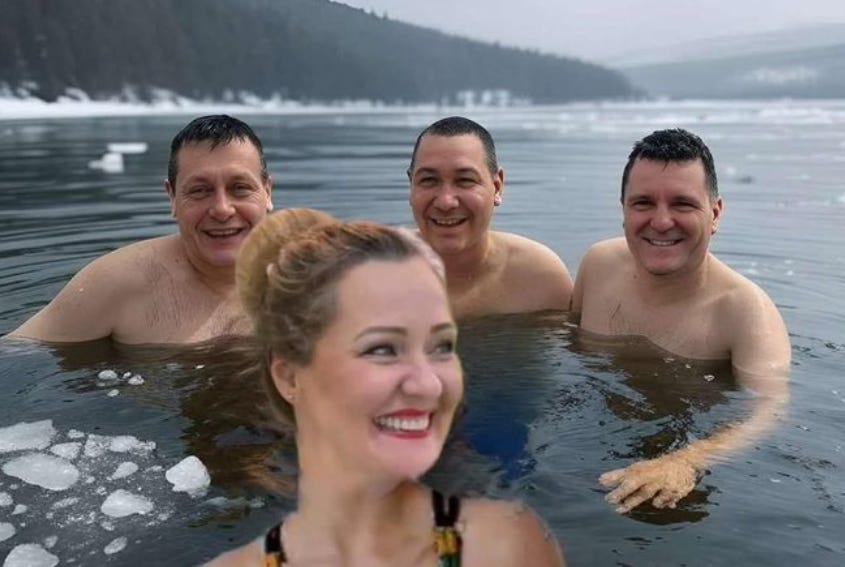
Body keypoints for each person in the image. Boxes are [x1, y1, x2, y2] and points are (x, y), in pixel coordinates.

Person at [206, 208, 565, 566]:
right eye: (381, 349)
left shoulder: (511, 548)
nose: (428, 384)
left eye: (441, 346)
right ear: (289, 377)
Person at [571, 128, 790, 514]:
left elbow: (768, 411)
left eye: (682, 204)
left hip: (694, 444)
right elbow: (564, 346)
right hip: (588, 445)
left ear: (715, 213)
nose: (661, 221)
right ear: (623, 209)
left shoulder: (745, 311)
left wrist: (688, 460)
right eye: (643, 203)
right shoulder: (598, 266)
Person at [8, 115, 273, 344]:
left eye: (240, 188)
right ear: (172, 198)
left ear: (267, 192)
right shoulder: (116, 283)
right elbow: (17, 353)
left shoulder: (296, 279)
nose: (222, 209)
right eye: (199, 190)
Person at [408, 116, 573, 319]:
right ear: (411, 186)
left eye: (465, 180)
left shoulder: (538, 278)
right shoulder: (378, 273)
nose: (446, 202)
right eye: (428, 180)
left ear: (497, 187)